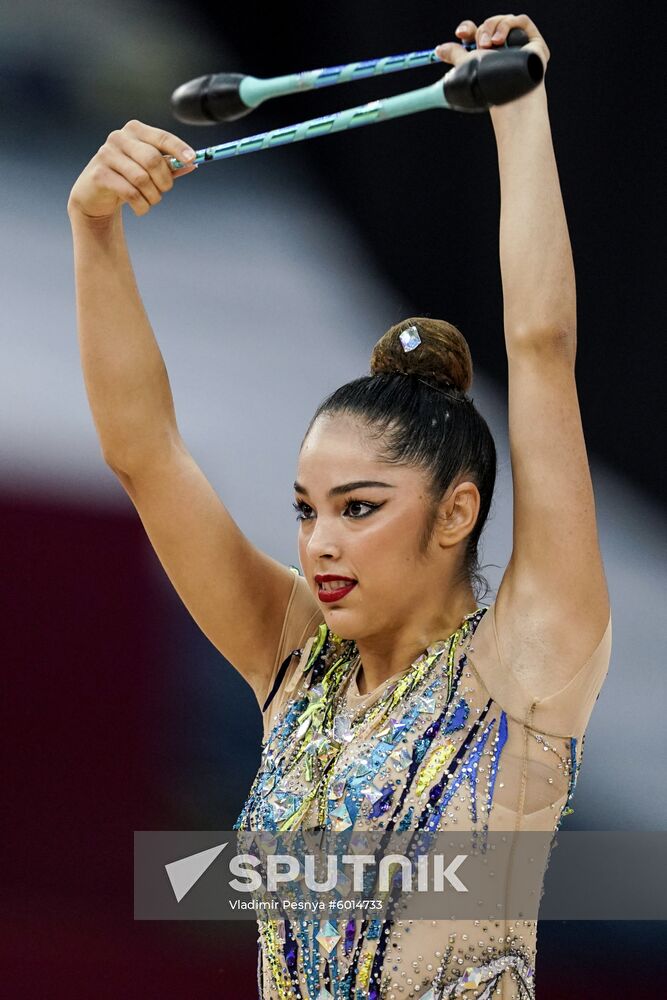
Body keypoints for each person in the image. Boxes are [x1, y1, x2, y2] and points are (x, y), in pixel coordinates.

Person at [68, 12, 612, 999]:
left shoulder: (529, 659)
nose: (318, 542)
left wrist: (518, 110)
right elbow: (144, 453)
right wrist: (95, 229)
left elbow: (539, 349)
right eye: (306, 509)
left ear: (455, 514)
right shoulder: (293, 660)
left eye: (358, 507)